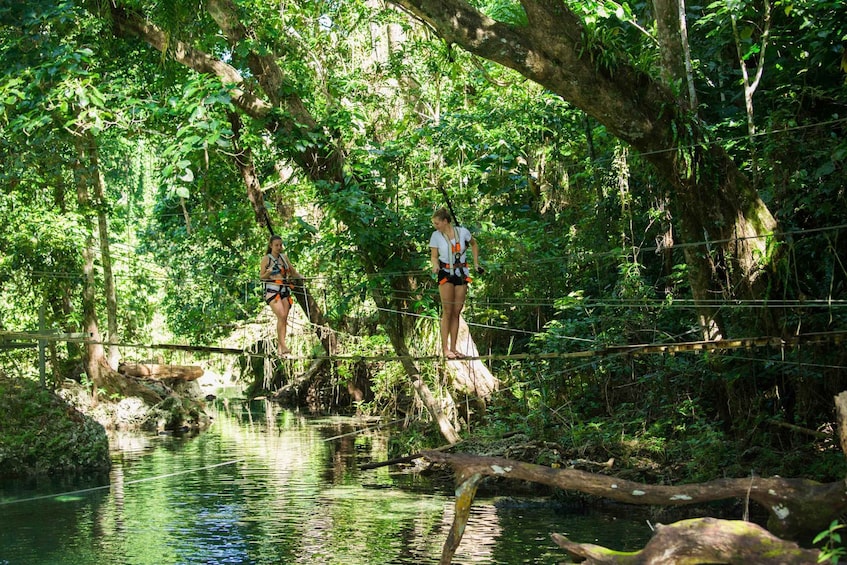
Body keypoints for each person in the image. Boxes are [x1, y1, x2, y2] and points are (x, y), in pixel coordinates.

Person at [429, 207, 482, 360]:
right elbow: (434, 256)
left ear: (445, 221)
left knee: (457, 311)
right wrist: (435, 265)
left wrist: (476, 263)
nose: (435, 226)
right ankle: (445, 349)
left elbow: (474, 244)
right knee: (447, 310)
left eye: (437, 223)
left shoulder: (463, 232)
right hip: (445, 272)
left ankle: (454, 348)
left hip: (462, 273)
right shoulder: (436, 236)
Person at [260, 234, 301, 356]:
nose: (279, 247)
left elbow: (293, 272)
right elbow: (261, 277)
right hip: (272, 290)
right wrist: (268, 273)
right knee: (281, 316)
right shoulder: (266, 259)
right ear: (271, 246)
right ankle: (283, 345)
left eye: (280, 245)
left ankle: (281, 348)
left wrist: (301, 278)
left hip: (284, 290)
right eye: (276, 245)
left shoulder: (284, 257)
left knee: (284, 318)